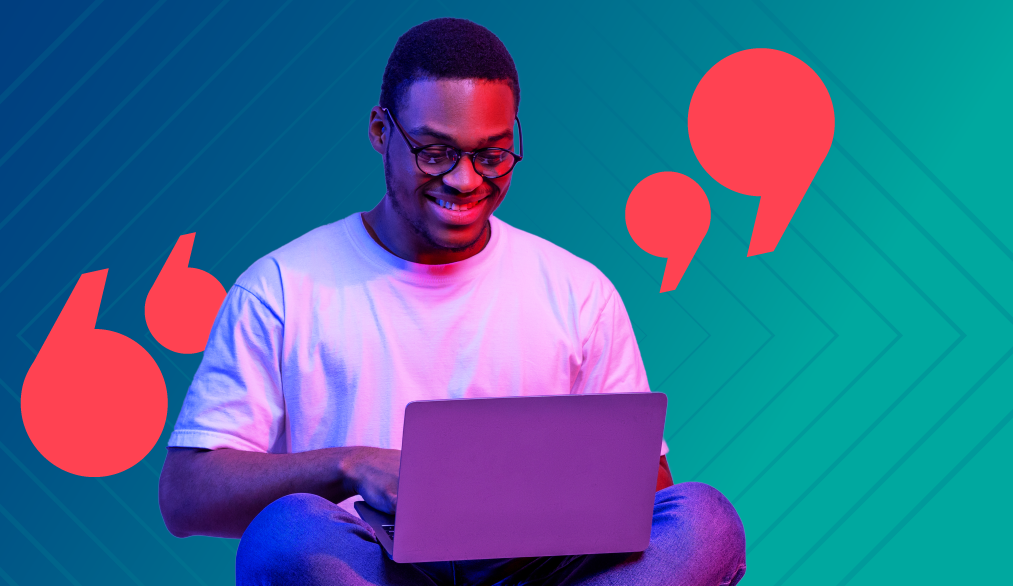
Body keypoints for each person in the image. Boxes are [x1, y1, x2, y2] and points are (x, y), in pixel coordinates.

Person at [158, 18, 746, 586]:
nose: (466, 182)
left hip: (541, 571)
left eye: (491, 155)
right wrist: (351, 465)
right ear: (380, 132)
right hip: (371, 565)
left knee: (706, 519)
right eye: (436, 153)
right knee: (286, 536)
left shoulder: (577, 289)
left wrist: (566, 489)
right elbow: (186, 497)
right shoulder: (281, 287)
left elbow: (653, 493)